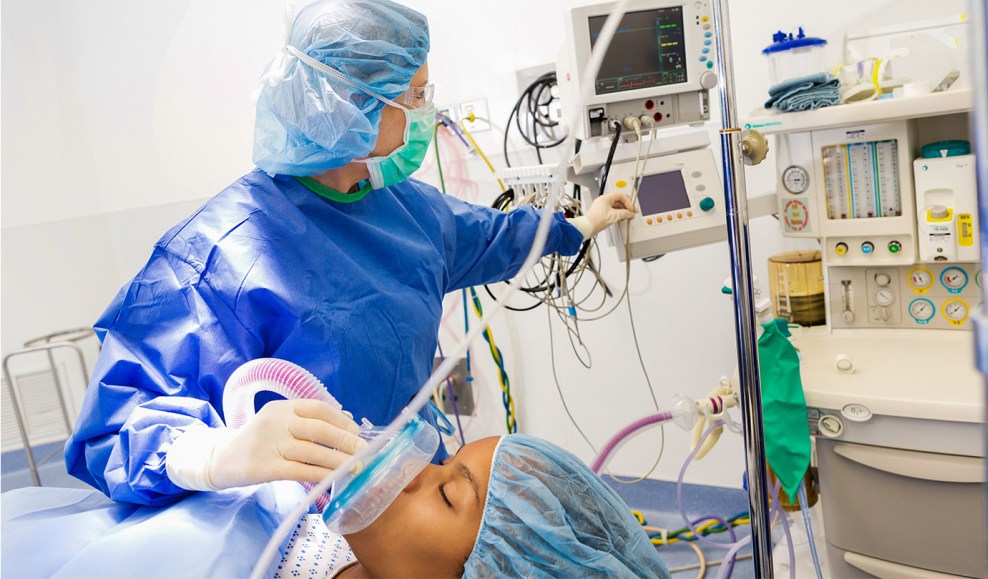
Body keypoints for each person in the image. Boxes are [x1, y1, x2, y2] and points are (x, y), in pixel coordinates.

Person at [64, 0, 637, 506]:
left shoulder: (407, 210)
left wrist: (581, 224)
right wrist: (219, 455)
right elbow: (111, 432)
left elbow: (494, 238)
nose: (426, 112)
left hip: (410, 491)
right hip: (299, 532)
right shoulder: (217, 258)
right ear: (349, 106)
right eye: (414, 95)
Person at [5, 434, 670, 578]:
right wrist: (198, 456)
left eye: (445, 490)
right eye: (440, 461)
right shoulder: (303, 517)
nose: (410, 473)